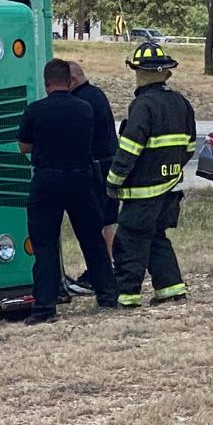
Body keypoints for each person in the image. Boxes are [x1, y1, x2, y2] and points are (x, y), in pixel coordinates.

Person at [17, 58, 120, 324]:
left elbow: (24, 147)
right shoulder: (84, 109)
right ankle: (107, 296)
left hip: (47, 179)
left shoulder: (35, 110)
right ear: (69, 80)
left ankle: (45, 307)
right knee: (92, 240)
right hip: (80, 178)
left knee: (45, 244)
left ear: (46, 82)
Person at [106, 43, 198, 307]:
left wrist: (113, 180)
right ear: (166, 73)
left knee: (129, 242)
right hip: (170, 189)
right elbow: (189, 147)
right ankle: (171, 290)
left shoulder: (142, 106)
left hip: (143, 193)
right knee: (157, 238)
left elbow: (129, 149)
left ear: (138, 71)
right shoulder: (182, 104)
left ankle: (126, 297)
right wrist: (170, 169)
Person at [65, 60, 118, 297]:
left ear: (73, 80)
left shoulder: (81, 101)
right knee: (108, 219)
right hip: (110, 164)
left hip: (95, 167)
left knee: (93, 222)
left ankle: (98, 272)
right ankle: (109, 267)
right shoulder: (97, 94)